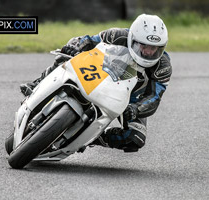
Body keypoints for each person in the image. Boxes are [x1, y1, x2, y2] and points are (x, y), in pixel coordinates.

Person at [20, 14, 172, 153]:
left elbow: (154, 97)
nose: (148, 52)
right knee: (66, 55)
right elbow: (88, 40)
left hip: (129, 100)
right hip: (99, 72)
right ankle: (37, 83)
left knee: (135, 138)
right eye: (144, 46)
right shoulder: (117, 35)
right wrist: (76, 47)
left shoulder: (163, 67)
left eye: (154, 48)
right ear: (133, 38)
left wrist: (136, 109)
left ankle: (94, 138)